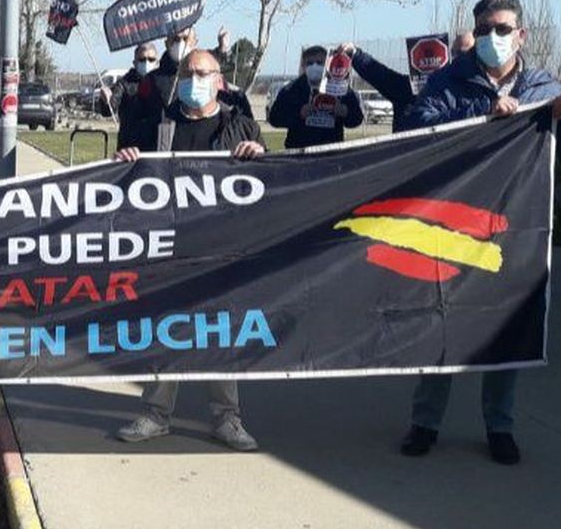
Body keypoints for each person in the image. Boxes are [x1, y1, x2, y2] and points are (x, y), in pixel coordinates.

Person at [395, 0, 561, 466]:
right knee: (441, 321)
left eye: (502, 29)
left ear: (521, 35)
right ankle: (425, 423)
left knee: (508, 327)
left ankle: (499, 427)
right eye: (485, 29)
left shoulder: (541, 86)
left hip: (515, 227)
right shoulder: (451, 80)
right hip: (453, 221)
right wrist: (482, 119)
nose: (492, 38)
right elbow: (418, 126)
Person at [111, 49, 264, 452]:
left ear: (219, 80)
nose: (195, 79)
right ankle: (155, 414)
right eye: (188, 72)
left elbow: (267, 183)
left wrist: (259, 158)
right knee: (167, 327)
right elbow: (127, 172)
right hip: (169, 245)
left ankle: (227, 418)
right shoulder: (158, 125)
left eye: (203, 72)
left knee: (220, 332)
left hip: (220, 246)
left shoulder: (240, 126)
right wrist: (125, 160)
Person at [97, 27, 250, 152]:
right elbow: (134, 122)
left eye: (185, 38)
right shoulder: (149, 81)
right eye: (175, 39)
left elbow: (238, 119)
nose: (180, 43)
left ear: (195, 42)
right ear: (167, 43)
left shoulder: (217, 81)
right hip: (162, 155)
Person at [340, 31, 474, 115]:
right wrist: (355, 55)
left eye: (465, 53)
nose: (459, 59)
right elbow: (379, 74)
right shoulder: (407, 89)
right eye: (455, 53)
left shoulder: (478, 92)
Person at [266, 45, 364, 148]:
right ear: (303, 66)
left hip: (331, 153)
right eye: (310, 63)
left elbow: (357, 119)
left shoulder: (339, 88)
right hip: (299, 153)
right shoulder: (291, 89)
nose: (314, 66)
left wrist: (344, 112)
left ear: (327, 63)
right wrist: (298, 114)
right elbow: (274, 118)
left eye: (319, 62)